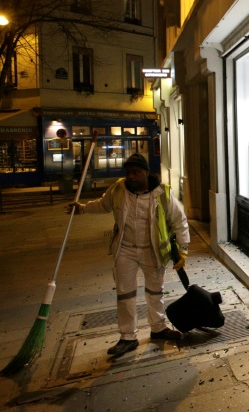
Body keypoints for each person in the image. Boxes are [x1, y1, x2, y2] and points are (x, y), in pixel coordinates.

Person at [67, 153, 190, 356]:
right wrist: (82, 209)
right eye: (128, 172)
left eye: (135, 172)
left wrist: (183, 250)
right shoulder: (118, 189)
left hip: (153, 251)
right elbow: (102, 204)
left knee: (155, 291)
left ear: (146, 173)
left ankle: (158, 328)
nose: (131, 176)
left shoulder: (162, 193)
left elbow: (180, 221)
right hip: (124, 250)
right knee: (124, 293)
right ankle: (127, 337)